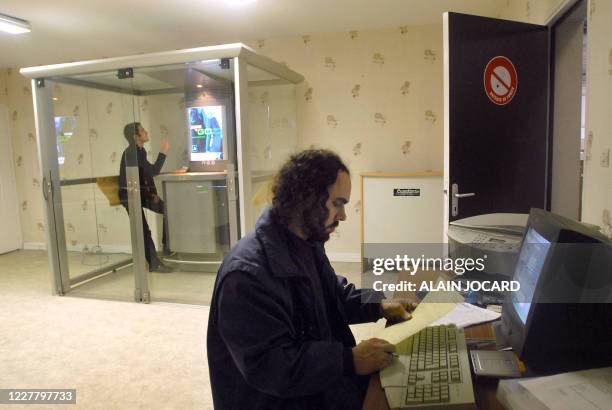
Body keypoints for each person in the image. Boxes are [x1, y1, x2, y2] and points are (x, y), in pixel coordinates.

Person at [207, 149, 416, 409]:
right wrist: (348, 360)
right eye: (338, 203)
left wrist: (379, 305)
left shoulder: (306, 241)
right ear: (308, 199)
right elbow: (272, 367)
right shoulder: (246, 276)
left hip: (315, 386)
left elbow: (333, 295)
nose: (343, 216)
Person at [118, 122, 173, 273]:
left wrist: (152, 194)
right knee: (144, 230)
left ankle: (167, 248)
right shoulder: (132, 152)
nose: (146, 132)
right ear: (136, 137)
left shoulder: (139, 151)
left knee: (169, 210)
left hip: (140, 194)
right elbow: (153, 170)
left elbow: (144, 175)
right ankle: (154, 264)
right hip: (129, 196)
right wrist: (163, 152)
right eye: (143, 131)